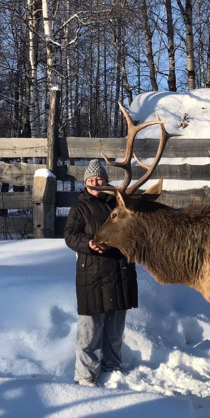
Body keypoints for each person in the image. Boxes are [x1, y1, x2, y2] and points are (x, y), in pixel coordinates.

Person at [64, 159, 138, 386]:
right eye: (91, 179)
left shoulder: (119, 206)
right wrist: (88, 244)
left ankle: (112, 368)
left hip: (119, 273)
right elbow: (70, 236)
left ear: (106, 181)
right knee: (90, 331)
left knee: (115, 331)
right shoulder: (79, 209)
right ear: (86, 183)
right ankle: (85, 376)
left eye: (100, 179)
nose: (96, 183)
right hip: (92, 276)